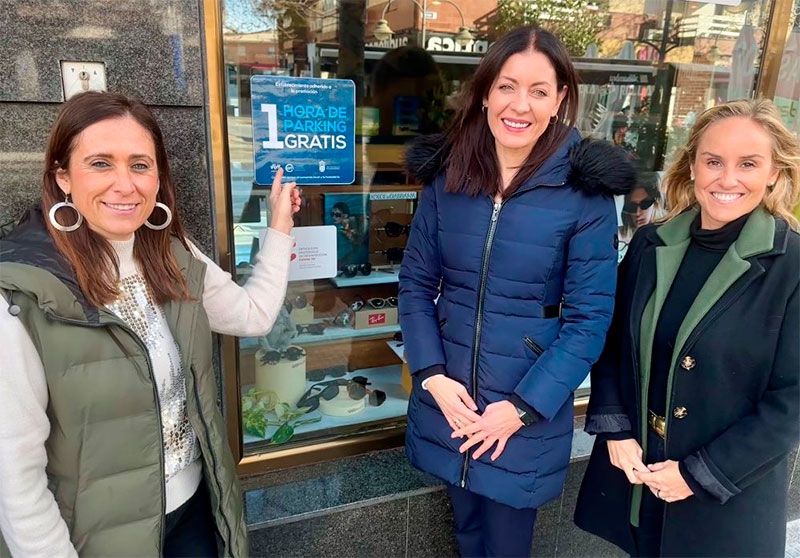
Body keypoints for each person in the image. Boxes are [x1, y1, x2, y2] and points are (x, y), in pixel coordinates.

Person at [0, 91, 301, 557]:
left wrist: (279, 229)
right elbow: (14, 476)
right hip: (96, 539)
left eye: (140, 165)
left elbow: (253, 315)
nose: (125, 184)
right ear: (62, 177)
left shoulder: (173, 254)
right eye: (101, 163)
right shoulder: (21, 292)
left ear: (158, 179)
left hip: (194, 514)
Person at [399, 26, 636, 557]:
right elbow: (415, 283)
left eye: (538, 90)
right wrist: (432, 376)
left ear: (560, 100)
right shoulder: (449, 173)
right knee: (467, 536)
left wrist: (523, 408)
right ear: (485, 92)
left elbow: (589, 319)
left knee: (506, 545)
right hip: (452, 403)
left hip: (522, 412)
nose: (519, 105)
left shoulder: (585, 194)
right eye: (507, 86)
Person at [574, 98, 800, 557]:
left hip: (725, 497)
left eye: (748, 164)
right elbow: (613, 343)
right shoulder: (651, 243)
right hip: (643, 476)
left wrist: (699, 473)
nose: (727, 179)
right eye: (713, 161)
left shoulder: (792, 265)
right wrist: (615, 430)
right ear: (692, 165)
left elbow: (792, 401)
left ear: (774, 172)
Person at [618, 181, 663, 261]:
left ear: (655, 203)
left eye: (645, 204)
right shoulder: (620, 237)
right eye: (632, 206)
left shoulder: (665, 232)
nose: (638, 213)